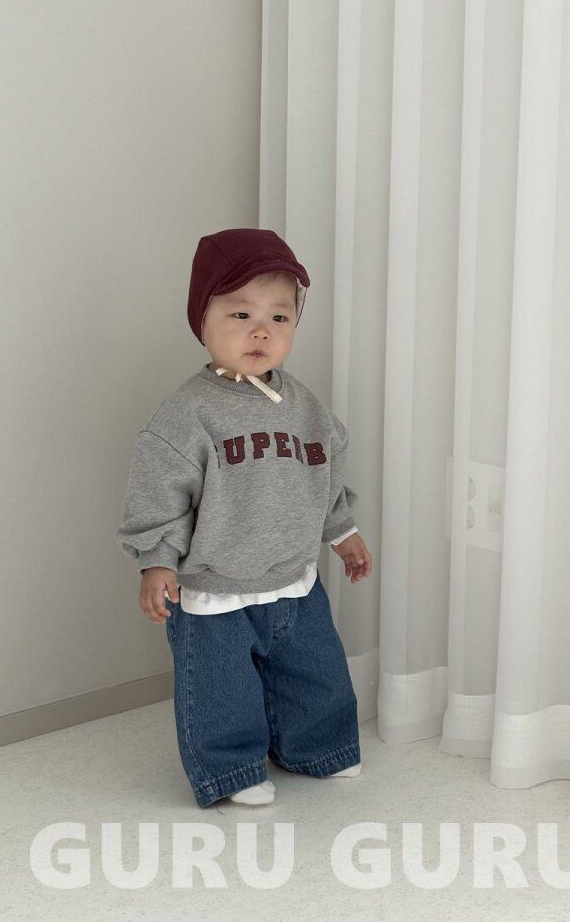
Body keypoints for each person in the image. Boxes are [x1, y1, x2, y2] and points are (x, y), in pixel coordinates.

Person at [116, 227, 373, 807]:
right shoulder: (188, 414)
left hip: (294, 581)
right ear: (202, 321)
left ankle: (320, 748)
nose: (261, 331)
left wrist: (344, 532)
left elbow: (325, 475)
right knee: (220, 688)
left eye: (279, 318)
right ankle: (231, 769)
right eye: (240, 314)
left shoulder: (304, 406)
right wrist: (157, 562)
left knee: (314, 673)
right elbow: (160, 496)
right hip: (215, 588)